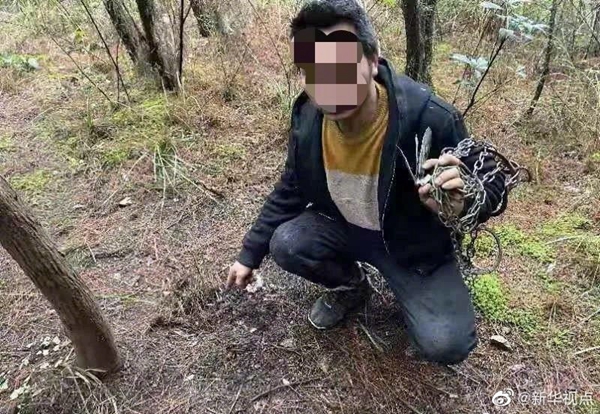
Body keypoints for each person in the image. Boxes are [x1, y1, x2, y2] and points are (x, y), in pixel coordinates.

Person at [226, 0, 508, 365]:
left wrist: (466, 199)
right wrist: (249, 254)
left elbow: (488, 180)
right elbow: (291, 186)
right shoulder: (309, 118)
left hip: (410, 245)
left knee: (446, 342)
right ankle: (351, 285)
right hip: (346, 228)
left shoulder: (428, 117)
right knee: (288, 243)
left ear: (372, 61)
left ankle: (417, 290)